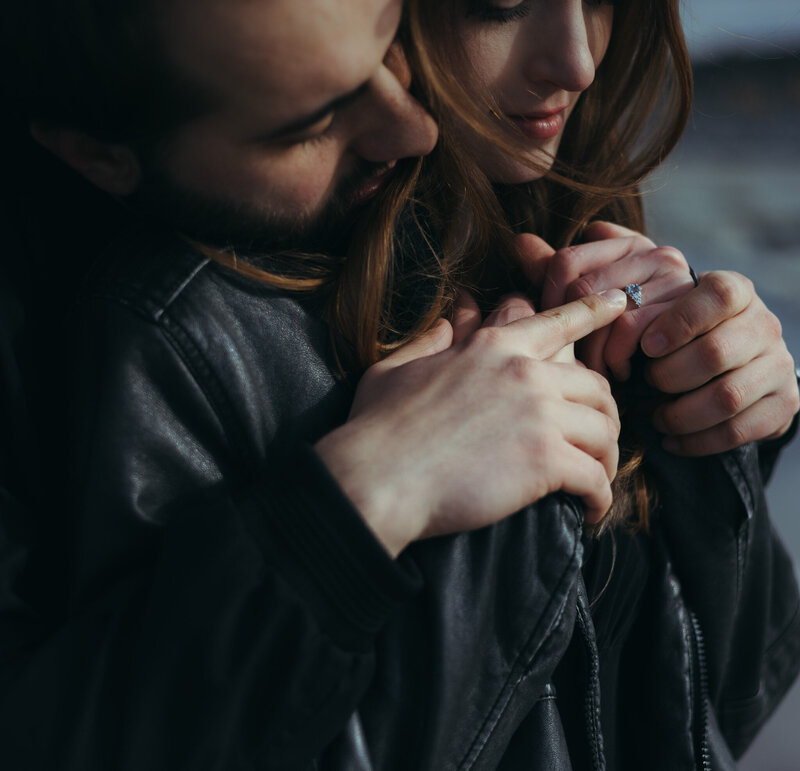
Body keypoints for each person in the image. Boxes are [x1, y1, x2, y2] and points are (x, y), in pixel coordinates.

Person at [0, 3, 797, 771]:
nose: (580, 63)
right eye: (497, 4)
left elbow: (724, 699)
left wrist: (706, 403)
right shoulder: (181, 333)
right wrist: (367, 495)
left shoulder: (549, 228)